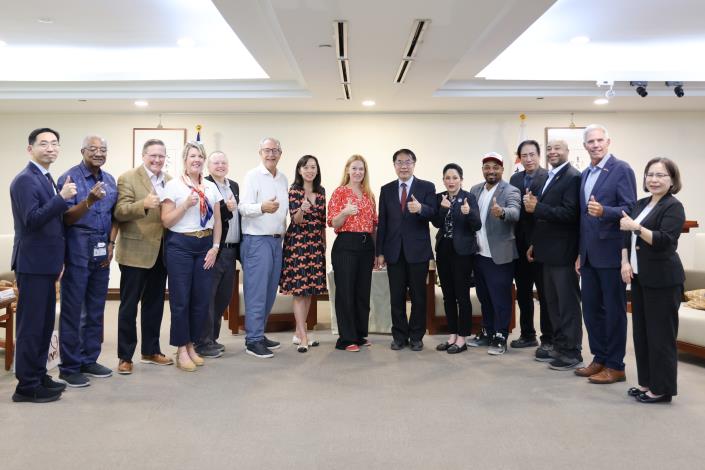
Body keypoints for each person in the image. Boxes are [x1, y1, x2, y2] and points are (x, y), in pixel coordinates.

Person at [11, 128, 74, 403]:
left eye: (54, 143)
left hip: (46, 264)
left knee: (45, 325)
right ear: (30, 149)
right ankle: (26, 387)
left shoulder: (46, 178)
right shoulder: (25, 180)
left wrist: (59, 260)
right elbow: (32, 219)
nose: (50, 148)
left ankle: (38, 375)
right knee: (31, 326)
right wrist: (62, 199)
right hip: (32, 263)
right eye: (44, 143)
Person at [575, 124, 637, 384]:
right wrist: (580, 253)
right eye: (591, 141)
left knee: (613, 312)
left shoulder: (621, 169)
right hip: (589, 255)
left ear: (608, 142)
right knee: (590, 311)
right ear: (585, 146)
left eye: (600, 140)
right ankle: (599, 358)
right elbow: (583, 217)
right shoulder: (585, 174)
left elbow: (630, 208)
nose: (596, 145)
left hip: (612, 253)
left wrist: (605, 211)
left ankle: (615, 365)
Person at [619, 158, 685, 403]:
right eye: (650, 174)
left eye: (661, 175)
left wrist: (635, 227)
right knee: (642, 335)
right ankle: (647, 383)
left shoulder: (673, 206)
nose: (654, 180)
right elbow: (625, 236)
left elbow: (664, 240)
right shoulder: (641, 204)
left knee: (661, 336)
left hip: (664, 280)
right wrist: (625, 262)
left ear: (672, 180)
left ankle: (662, 389)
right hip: (640, 278)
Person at [55, 135, 118, 387]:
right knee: (73, 309)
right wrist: (89, 201)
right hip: (77, 245)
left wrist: (111, 244)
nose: (98, 153)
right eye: (93, 149)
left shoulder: (110, 180)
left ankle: (89, 359)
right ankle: (69, 367)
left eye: (103, 149)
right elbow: (66, 218)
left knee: (95, 308)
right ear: (82, 151)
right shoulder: (69, 178)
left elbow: (114, 217)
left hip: (102, 246)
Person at [160, 141, 222, 371]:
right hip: (180, 246)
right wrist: (185, 204)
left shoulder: (210, 187)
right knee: (181, 300)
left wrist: (215, 248)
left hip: (205, 246)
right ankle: (181, 348)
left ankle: (191, 344)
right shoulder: (174, 186)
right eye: (192, 156)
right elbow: (166, 221)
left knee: (201, 300)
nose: (196, 160)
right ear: (185, 160)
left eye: (200, 156)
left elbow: (217, 220)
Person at [114, 139, 174, 374]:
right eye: (153, 155)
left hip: (161, 252)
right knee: (129, 307)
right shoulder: (128, 178)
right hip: (134, 252)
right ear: (143, 155)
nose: (157, 160)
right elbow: (120, 211)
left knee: (155, 304)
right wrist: (144, 204)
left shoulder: (170, 180)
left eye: (161, 156)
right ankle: (125, 356)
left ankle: (151, 350)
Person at [524, 139, 583, 370]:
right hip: (546, 252)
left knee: (567, 305)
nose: (552, 152)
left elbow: (570, 214)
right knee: (552, 304)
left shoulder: (573, 177)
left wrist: (537, 207)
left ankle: (572, 352)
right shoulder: (549, 176)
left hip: (563, 253)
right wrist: (534, 244)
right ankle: (559, 346)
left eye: (557, 148)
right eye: (549, 148)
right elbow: (543, 217)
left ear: (567, 151)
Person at [377, 149, 436, 351]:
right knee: (396, 297)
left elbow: (434, 213)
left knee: (419, 296)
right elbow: (383, 223)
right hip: (394, 252)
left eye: (408, 162)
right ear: (394, 165)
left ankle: (416, 336)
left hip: (418, 251)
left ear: (414, 164)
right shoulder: (386, 189)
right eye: (399, 162)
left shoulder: (427, 187)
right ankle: (399, 336)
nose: (404, 166)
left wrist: (421, 209)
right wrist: (380, 252)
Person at [239, 137, 289, 358]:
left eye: (275, 150)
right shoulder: (252, 176)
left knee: (269, 292)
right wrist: (262, 207)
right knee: (256, 292)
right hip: (257, 240)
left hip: (277, 241)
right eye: (267, 150)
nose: (271, 154)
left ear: (280, 154)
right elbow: (243, 208)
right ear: (260, 153)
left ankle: (259, 333)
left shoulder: (283, 178)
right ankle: (253, 340)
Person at [468, 152, 521, 355]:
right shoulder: (475, 190)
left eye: (495, 167)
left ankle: (501, 335)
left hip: (499, 256)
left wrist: (502, 212)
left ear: (502, 170)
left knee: (500, 298)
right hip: (478, 254)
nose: (491, 171)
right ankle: (488, 331)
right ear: (483, 170)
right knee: (484, 297)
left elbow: (515, 212)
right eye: (487, 167)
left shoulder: (511, 190)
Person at [328, 155, 378, 352]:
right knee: (346, 292)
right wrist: (345, 212)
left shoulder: (369, 195)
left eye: (361, 169)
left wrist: (377, 252)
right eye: (354, 168)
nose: (358, 172)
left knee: (362, 292)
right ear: (347, 170)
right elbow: (333, 222)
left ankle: (359, 334)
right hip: (346, 245)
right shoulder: (340, 192)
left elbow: (374, 225)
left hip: (366, 246)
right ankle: (346, 338)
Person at [431, 163, 481, 354]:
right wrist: (443, 209)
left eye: (454, 177)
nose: (451, 181)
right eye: (447, 178)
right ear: (443, 180)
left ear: (461, 179)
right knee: (448, 296)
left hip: (463, 253)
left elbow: (477, 225)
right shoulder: (439, 197)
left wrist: (469, 213)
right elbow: (436, 223)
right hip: (444, 250)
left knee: (462, 296)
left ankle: (462, 337)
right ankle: (452, 334)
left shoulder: (469, 197)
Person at [195, 151, 240, 359]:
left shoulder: (234, 186)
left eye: (224, 162)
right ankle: (202, 342)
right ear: (208, 166)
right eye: (216, 162)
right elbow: (207, 214)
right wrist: (226, 208)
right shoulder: (204, 185)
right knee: (208, 297)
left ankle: (212, 338)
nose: (220, 165)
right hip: (214, 249)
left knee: (223, 297)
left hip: (231, 250)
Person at [280, 155, 327, 353]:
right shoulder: (294, 191)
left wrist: (324, 245)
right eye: (306, 167)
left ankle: (299, 332)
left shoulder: (321, 191)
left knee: (309, 291)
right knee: (299, 291)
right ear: (299, 170)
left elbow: (323, 221)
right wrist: (301, 209)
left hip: (315, 244)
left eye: (313, 167)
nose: (309, 170)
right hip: (298, 243)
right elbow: (296, 220)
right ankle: (304, 336)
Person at [509, 140, 551, 352]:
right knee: (523, 292)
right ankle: (527, 334)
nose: (528, 159)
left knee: (544, 293)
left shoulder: (549, 177)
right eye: (524, 155)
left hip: (541, 243)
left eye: (532, 154)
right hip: (518, 243)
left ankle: (548, 338)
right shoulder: (515, 178)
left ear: (539, 155)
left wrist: (536, 241)